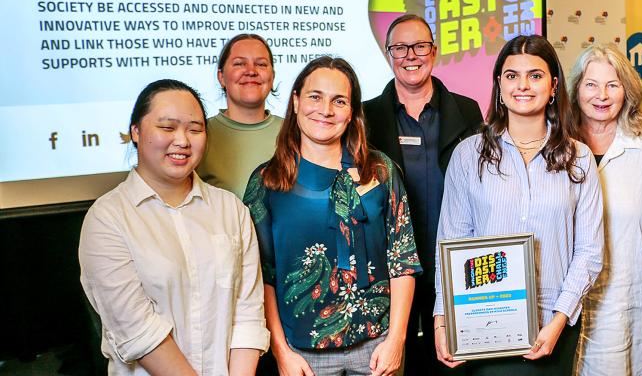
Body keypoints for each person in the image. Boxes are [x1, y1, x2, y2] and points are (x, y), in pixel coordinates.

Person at [433, 35, 604, 376]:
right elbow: (450, 243)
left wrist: (559, 321)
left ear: (554, 85)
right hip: (483, 323)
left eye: (535, 75)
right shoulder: (468, 155)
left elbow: (589, 250)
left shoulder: (579, 157)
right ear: (498, 85)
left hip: (552, 327)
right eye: (511, 76)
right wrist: (442, 320)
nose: (522, 85)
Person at [244, 56, 422, 376]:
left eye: (338, 100)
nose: (325, 110)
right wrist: (281, 352)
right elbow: (262, 277)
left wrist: (397, 339)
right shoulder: (267, 182)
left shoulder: (381, 171)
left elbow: (402, 261)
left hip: (377, 346)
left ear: (351, 112)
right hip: (303, 354)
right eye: (315, 96)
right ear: (296, 101)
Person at [79, 79, 269, 375]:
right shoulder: (107, 219)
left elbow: (247, 316)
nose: (182, 140)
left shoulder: (231, 210)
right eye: (167, 128)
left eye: (194, 129)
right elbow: (140, 333)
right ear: (136, 132)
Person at [364, 14, 483, 375]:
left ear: (434, 51)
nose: (410, 55)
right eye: (400, 47)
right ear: (388, 54)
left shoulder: (467, 109)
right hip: (389, 270)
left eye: (419, 46)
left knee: (452, 364)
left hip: (452, 262)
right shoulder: (366, 116)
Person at [568, 44, 642, 375]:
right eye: (591, 84)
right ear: (576, 89)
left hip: (624, 304)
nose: (602, 95)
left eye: (613, 84)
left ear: (627, 91)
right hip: (561, 308)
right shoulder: (555, 150)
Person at [198, 33, 283, 199]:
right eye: (239, 64)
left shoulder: (295, 132)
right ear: (221, 77)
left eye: (261, 64)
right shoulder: (199, 134)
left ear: (272, 77)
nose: (251, 71)